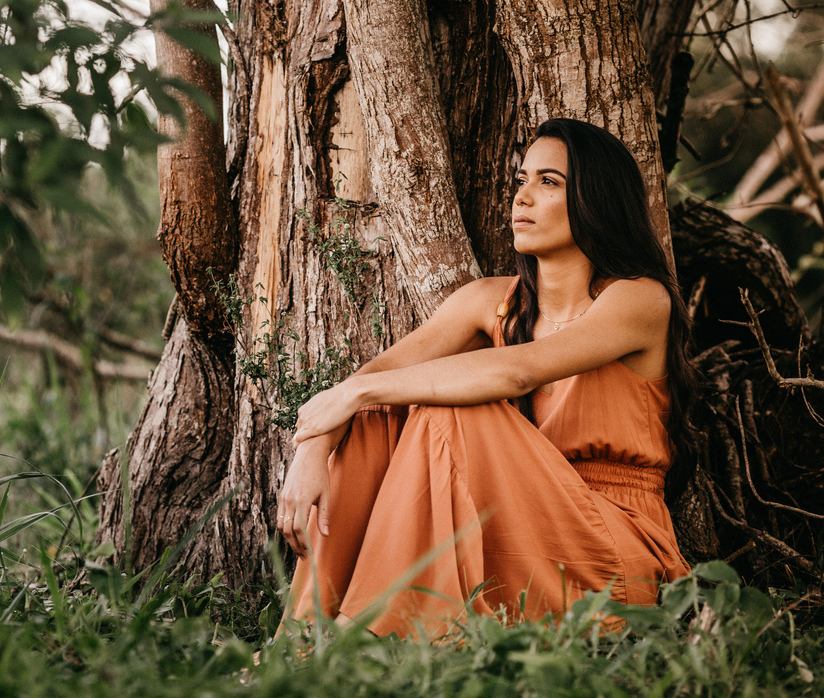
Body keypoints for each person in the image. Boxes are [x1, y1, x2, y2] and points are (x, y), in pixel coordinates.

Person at [274, 118, 694, 640]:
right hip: (515, 525)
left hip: (608, 549)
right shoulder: (490, 300)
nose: (523, 197)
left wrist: (355, 392)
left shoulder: (638, 298)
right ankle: (306, 638)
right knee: (377, 413)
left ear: (597, 198)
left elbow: (518, 371)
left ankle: (367, 636)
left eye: (549, 182)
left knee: (444, 407)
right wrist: (315, 444)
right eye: (521, 180)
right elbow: (378, 376)